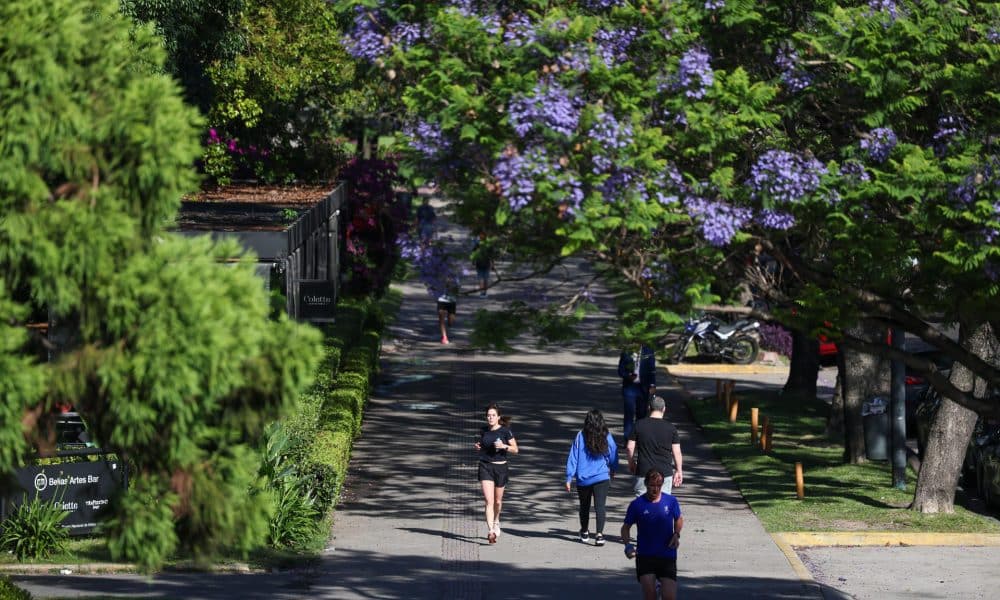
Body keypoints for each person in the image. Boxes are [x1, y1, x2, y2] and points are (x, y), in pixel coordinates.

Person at [621, 469, 684, 600]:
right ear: (645, 484)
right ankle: (656, 587)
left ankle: (660, 586)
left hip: (667, 554)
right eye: (652, 485)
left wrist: (676, 534)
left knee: (669, 597)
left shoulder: (671, 501)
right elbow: (625, 528)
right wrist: (627, 545)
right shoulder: (636, 505)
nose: (655, 489)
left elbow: (679, 519)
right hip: (645, 555)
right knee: (650, 596)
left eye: (658, 486)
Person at [565, 409, 618, 546]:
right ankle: (599, 535)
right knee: (600, 506)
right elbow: (612, 452)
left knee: (584, 506)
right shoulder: (606, 435)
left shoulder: (580, 436)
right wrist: (613, 468)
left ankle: (584, 531)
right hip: (601, 477)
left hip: (583, 479)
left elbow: (573, 457)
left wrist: (569, 477)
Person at [475, 403, 518, 544]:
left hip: (501, 468)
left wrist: (504, 446)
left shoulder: (505, 431)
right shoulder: (483, 431)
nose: (490, 418)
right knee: (489, 501)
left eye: (493, 415)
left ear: (498, 417)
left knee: (498, 502)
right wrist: (478, 446)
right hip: (485, 467)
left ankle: (496, 520)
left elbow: (515, 449)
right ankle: (491, 531)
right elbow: (482, 445)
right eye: (488, 415)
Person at [627, 395, 682, 496]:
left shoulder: (638, 425)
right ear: (664, 409)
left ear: (649, 408)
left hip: (643, 471)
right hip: (664, 473)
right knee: (663, 504)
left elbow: (630, 447)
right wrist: (679, 470)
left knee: (641, 504)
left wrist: (631, 463)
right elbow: (677, 452)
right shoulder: (671, 428)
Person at [618, 342, 657, 441]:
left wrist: (652, 384)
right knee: (629, 414)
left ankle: (639, 439)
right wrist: (628, 376)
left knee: (642, 414)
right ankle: (628, 439)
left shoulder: (648, 351)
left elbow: (652, 369)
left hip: (643, 387)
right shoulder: (627, 352)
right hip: (629, 387)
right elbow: (620, 370)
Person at [471, 232, 494, 297]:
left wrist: (473, 261)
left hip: (480, 263)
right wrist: (492, 264)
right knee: (485, 279)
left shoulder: (477, 244)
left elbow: (473, 253)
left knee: (481, 279)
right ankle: (484, 292)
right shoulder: (489, 245)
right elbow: (491, 256)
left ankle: (482, 292)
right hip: (486, 264)